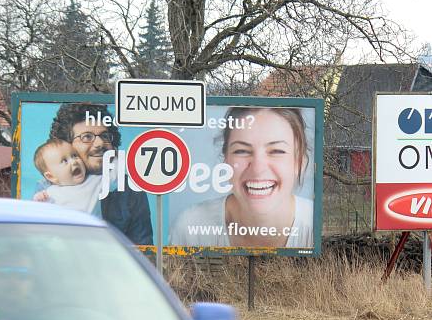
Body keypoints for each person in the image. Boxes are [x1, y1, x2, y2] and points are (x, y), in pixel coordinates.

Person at [170, 106, 313, 248]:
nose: (258, 169)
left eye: (276, 151)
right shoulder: (191, 226)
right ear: (225, 160)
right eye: (242, 151)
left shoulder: (313, 224)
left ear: (299, 162)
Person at [49, 102, 154, 244]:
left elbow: (143, 249)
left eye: (105, 136)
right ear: (67, 145)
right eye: (87, 137)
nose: (99, 144)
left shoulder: (129, 188)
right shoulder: (48, 188)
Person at [32, 137, 115, 215]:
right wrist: (38, 199)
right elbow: (38, 213)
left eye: (74, 156)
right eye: (64, 161)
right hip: (66, 228)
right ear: (51, 177)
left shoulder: (94, 181)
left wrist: (115, 156)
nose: (74, 162)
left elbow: (115, 176)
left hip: (91, 228)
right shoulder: (50, 193)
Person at [0, 248, 40, 320]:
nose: (13, 282)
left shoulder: (49, 319)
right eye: (4, 274)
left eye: (22, 275)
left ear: (33, 282)